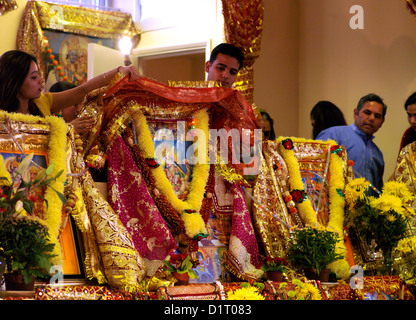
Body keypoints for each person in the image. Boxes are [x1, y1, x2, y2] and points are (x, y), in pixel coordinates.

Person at [0, 50, 140, 117]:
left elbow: (82, 91)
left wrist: (118, 71)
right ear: (15, 82)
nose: (41, 80)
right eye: (34, 77)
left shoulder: (42, 103)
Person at [316, 93, 386, 191]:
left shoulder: (378, 154)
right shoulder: (333, 135)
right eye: (367, 112)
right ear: (355, 113)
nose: (371, 118)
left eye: (377, 116)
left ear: (382, 122)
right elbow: (315, 176)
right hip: (335, 204)